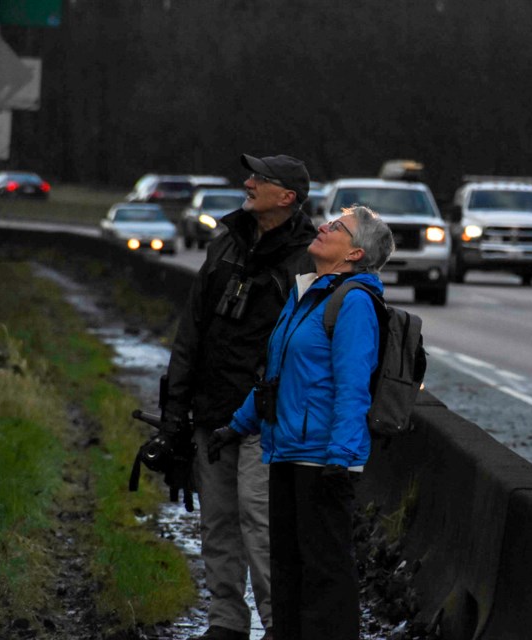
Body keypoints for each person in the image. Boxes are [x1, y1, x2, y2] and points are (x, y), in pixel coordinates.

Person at [208, 206, 395, 640]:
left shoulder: (354, 304)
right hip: (287, 452)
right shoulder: (306, 296)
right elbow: (276, 379)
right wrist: (237, 426)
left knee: (325, 578)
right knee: (288, 576)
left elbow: (352, 387)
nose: (324, 227)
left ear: (355, 253)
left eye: (338, 227)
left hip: (323, 461)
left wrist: (342, 459)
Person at [162, 154, 318, 640]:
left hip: (266, 421)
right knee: (218, 525)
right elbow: (192, 331)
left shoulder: (309, 259)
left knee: (261, 525)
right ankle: (226, 623)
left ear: (286, 197)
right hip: (212, 413)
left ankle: (278, 626)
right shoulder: (225, 243)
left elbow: (306, 347)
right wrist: (175, 414)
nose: (247, 183)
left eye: (260, 179)